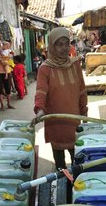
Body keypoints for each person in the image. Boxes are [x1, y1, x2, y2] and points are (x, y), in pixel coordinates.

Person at [31, 27, 88, 169]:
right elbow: (41, 92)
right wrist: (40, 109)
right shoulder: (45, 68)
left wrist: (84, 111)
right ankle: (63, 187)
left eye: (66, 43)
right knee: (60, 167)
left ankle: (77, 188)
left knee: (79, 160)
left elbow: (82, 90)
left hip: (74, 120)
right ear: (52, 46)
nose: (64, 48)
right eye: (59, 44)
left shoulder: (75, 65)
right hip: (55, 122)